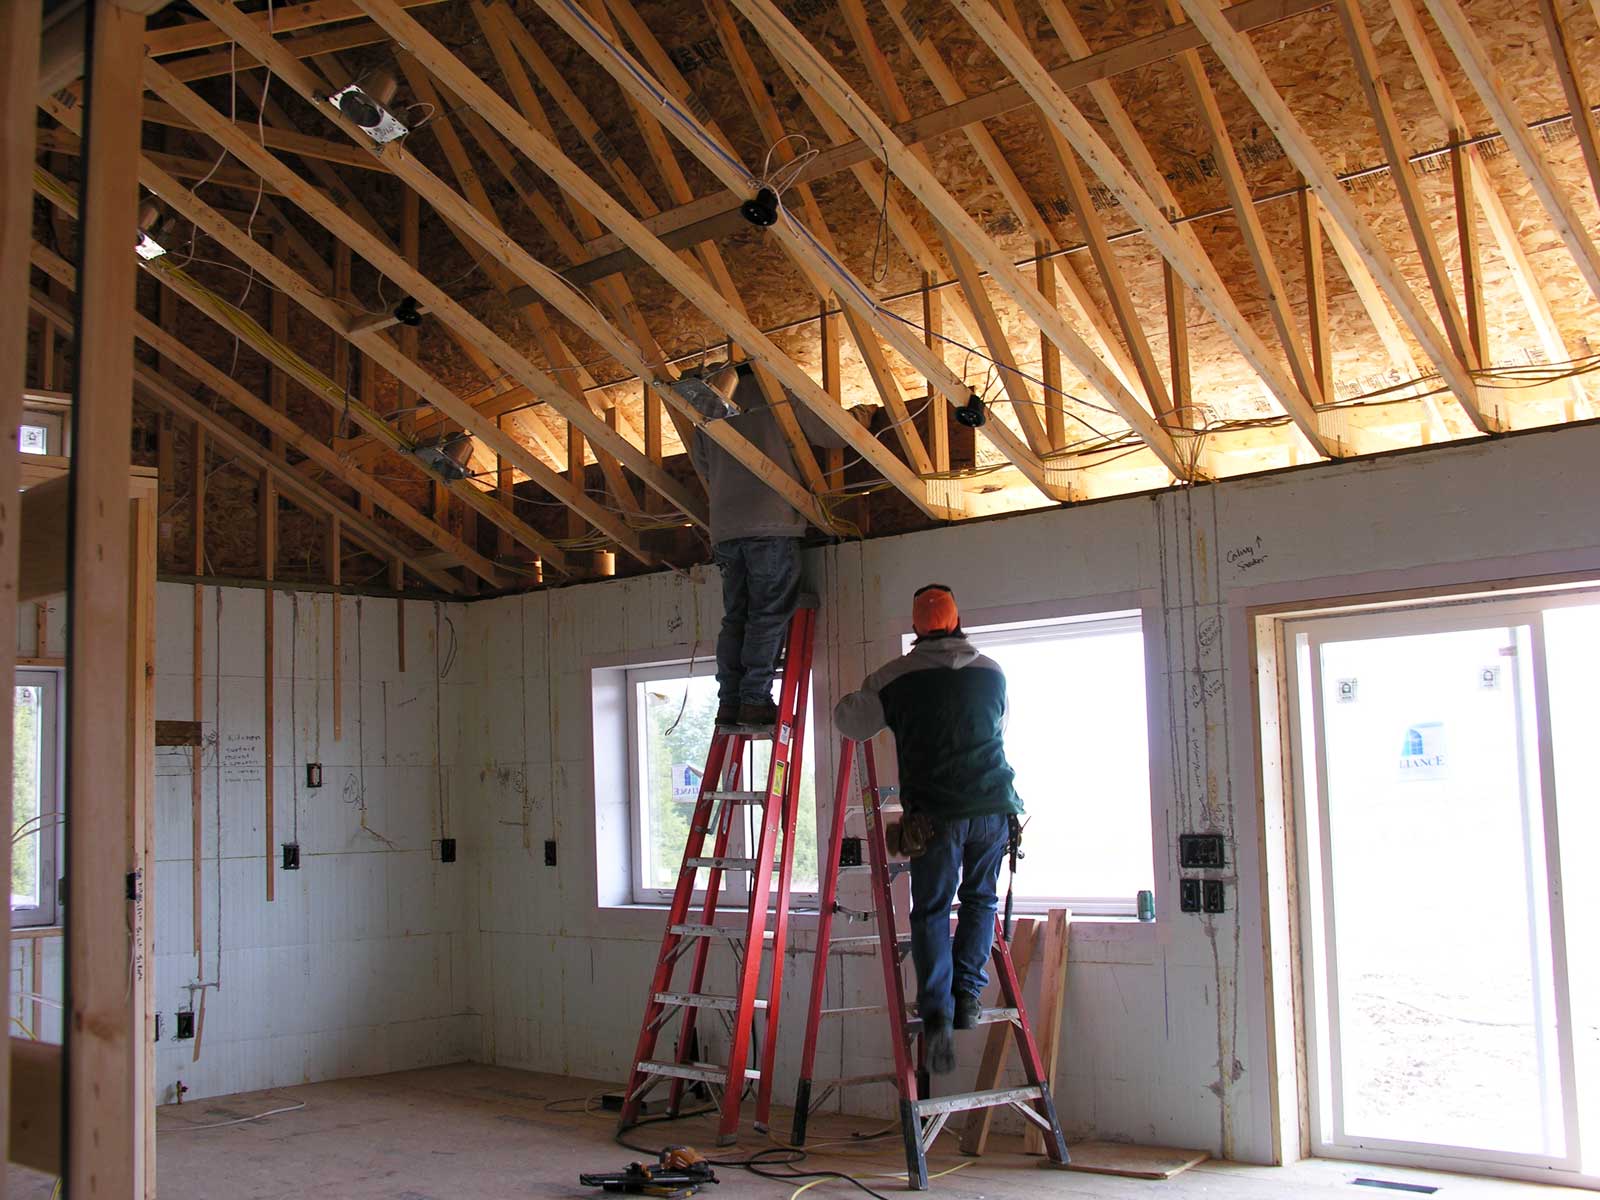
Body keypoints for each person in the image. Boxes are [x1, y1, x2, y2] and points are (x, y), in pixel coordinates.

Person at [833, 585, 1024, 1074]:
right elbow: (999, 728)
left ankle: (937, 1012)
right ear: (958, 621)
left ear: (916, 627)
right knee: (980, 900)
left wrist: (863, 691)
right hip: (993, 807)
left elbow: (851, 723)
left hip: (936, 815)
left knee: (933, 910)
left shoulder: (896, 677)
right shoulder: (992, 672)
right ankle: (968, 997)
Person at [678, 362, 852, 729]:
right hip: (771, 522)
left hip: (726, 528)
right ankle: (754, 700)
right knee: (767, 614)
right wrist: (862, 415)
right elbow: (830, 434)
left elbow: (703, 465)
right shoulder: (779, 392)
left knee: (736, 617)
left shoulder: (710, 400)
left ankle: (730, 702)